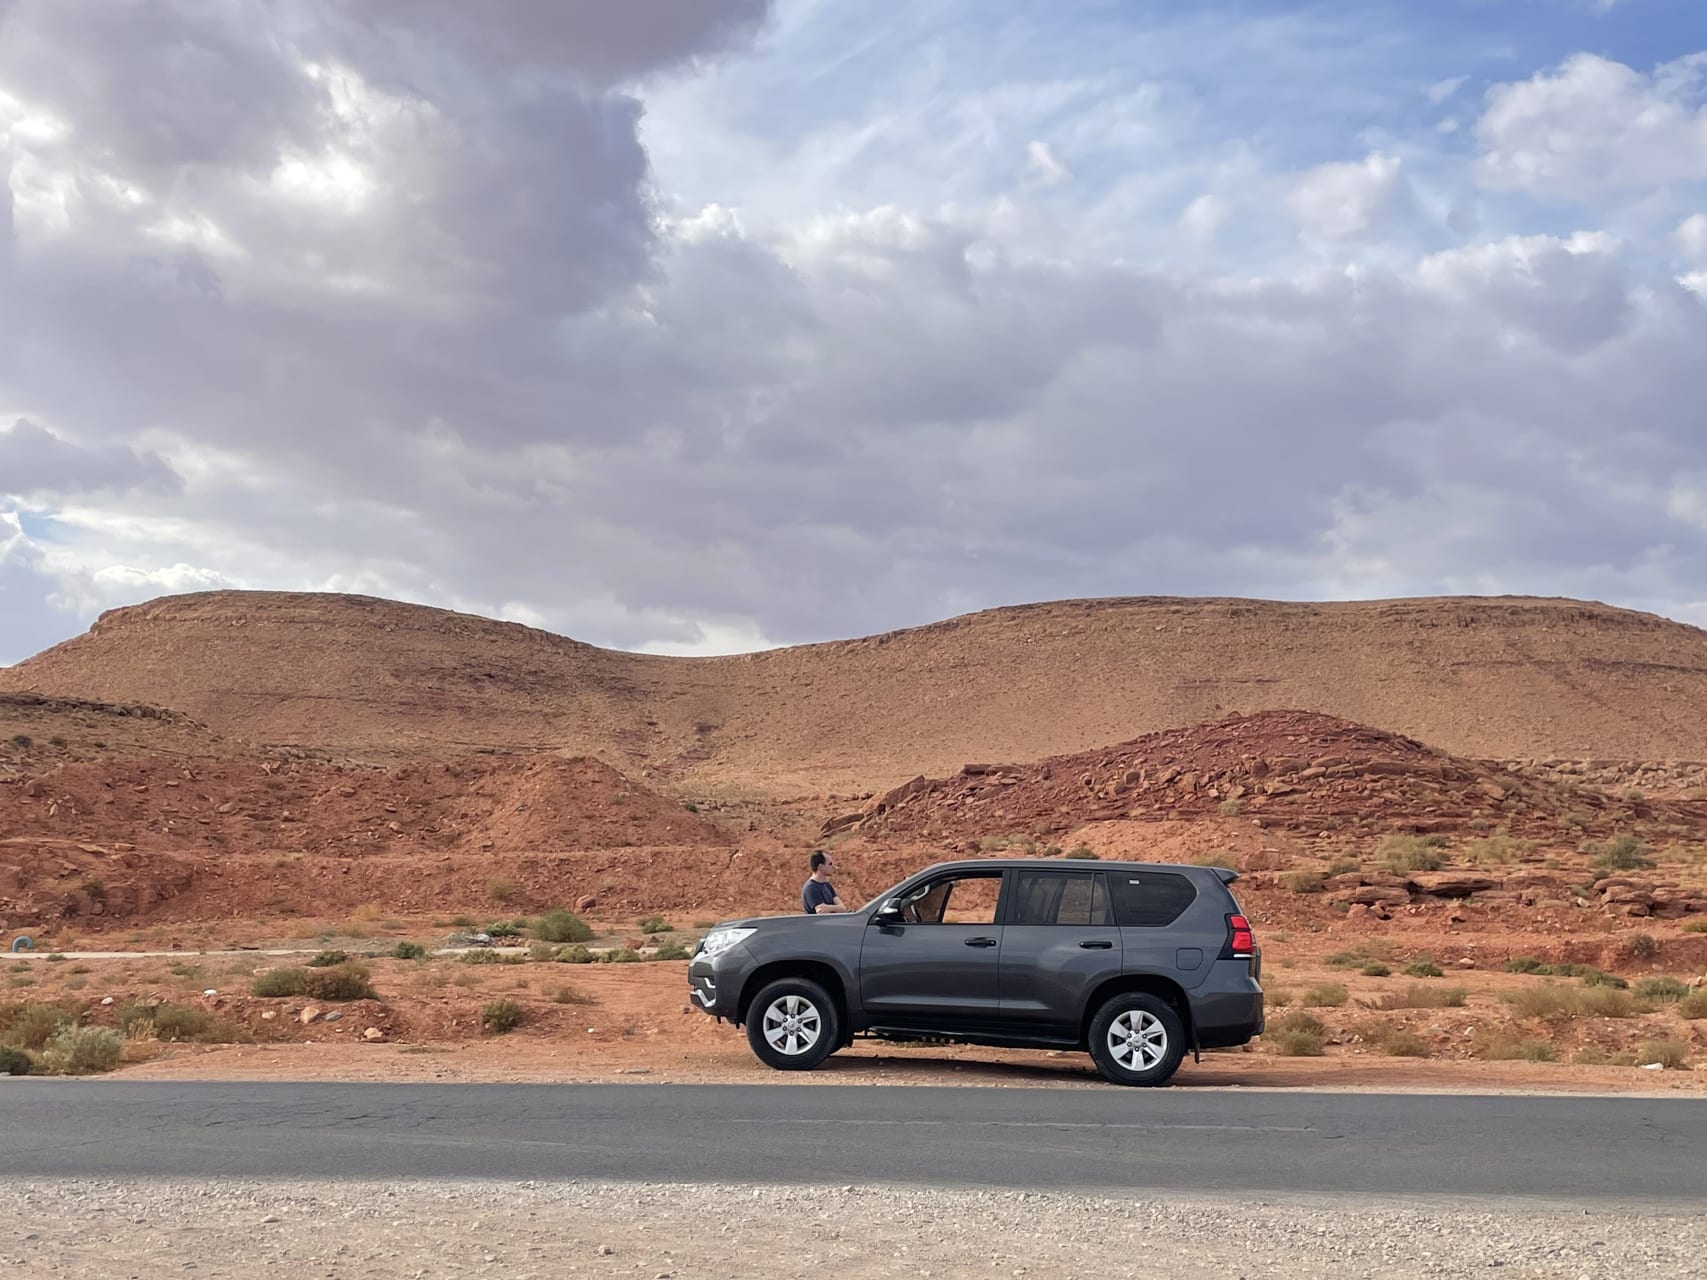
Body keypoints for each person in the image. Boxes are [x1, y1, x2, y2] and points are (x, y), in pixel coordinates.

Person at [802, 850, 856, 915]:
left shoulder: (827, 885)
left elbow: (842, 908)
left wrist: (829, 908)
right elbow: (821, 911)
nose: (833, 867)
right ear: (821, 867)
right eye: (830, 864)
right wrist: (834, 908)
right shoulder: (811, 888)